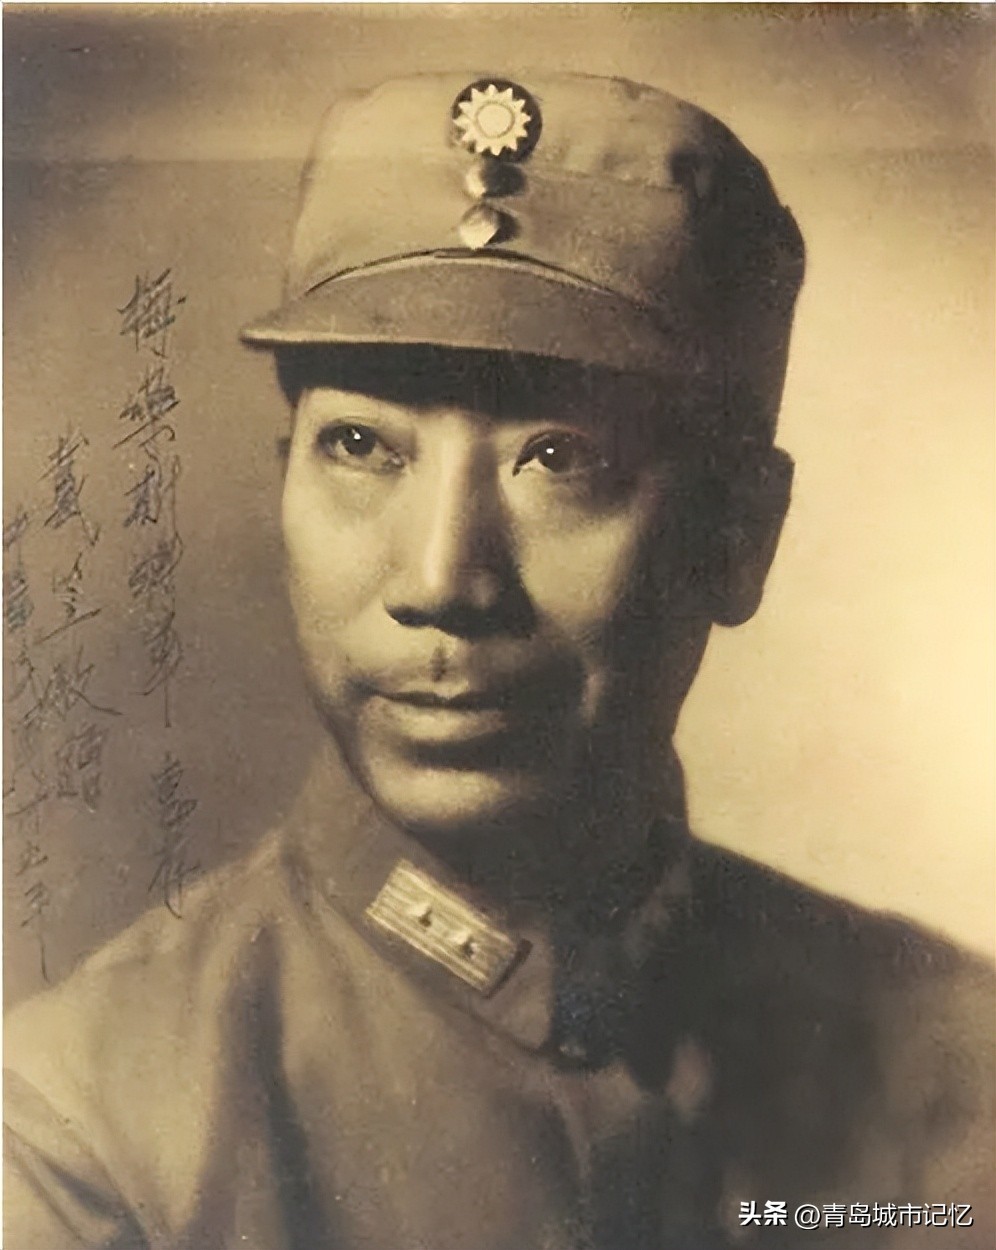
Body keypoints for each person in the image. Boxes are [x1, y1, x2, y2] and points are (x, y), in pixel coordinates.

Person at [4, 71, 992, 1250]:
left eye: (559, 458)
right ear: (285, 481)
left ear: (737, 537)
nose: (440, 577)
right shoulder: (83, 1129)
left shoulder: (962, 1063)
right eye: (362, 445)